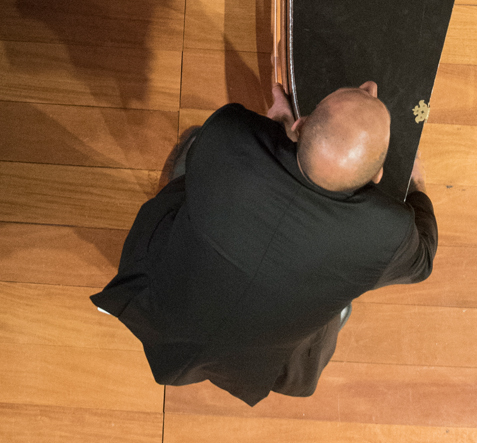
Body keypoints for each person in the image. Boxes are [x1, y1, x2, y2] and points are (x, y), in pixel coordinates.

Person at [90, 80, 437, 406]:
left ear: (299, 125)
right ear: (376, 177)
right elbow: (422, 261)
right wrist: (417, 185)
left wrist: (274, 130)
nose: (370, 87)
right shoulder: (386, 232)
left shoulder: (230, 132)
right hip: (261, 359)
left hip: (159, 300)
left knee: (197, 152)